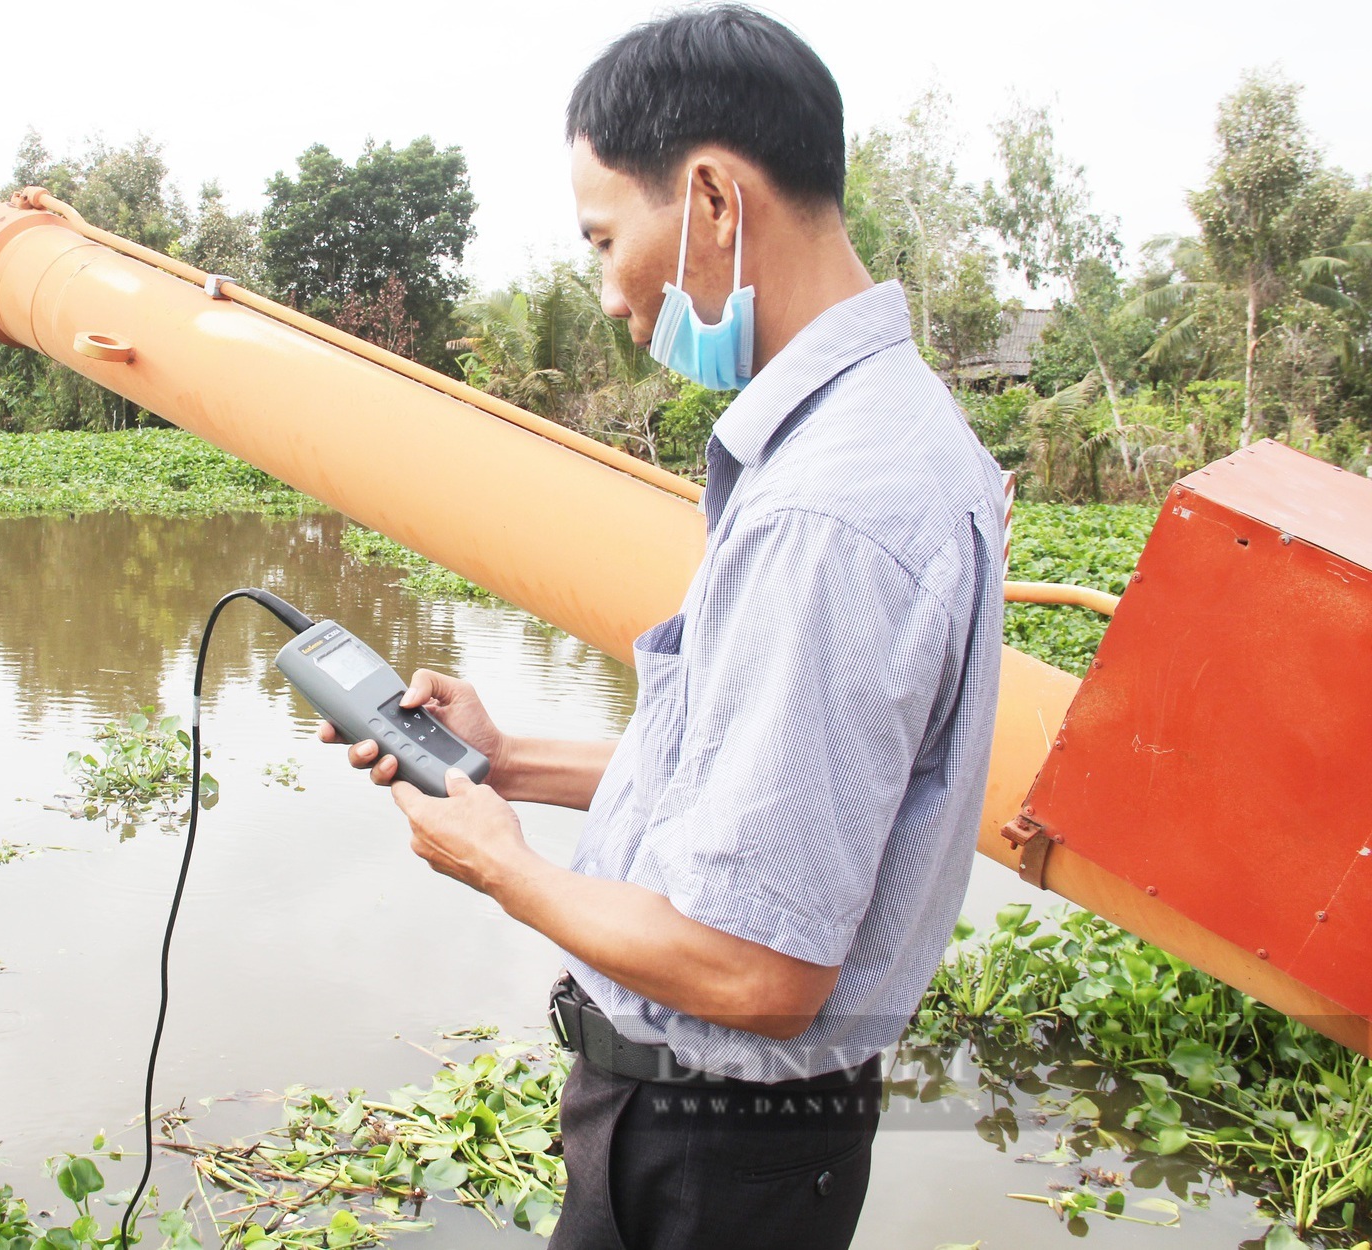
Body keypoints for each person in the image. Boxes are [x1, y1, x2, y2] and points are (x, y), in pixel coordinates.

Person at [317, 6, 1007, 1247]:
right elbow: (751, 797)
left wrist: (503, 862)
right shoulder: (870, 439)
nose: (605, 292)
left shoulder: (828, 512)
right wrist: (509, 760)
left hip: (708, 1153)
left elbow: (757, 971)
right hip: (730, 1141)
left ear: (708, 200)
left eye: (601, 238)